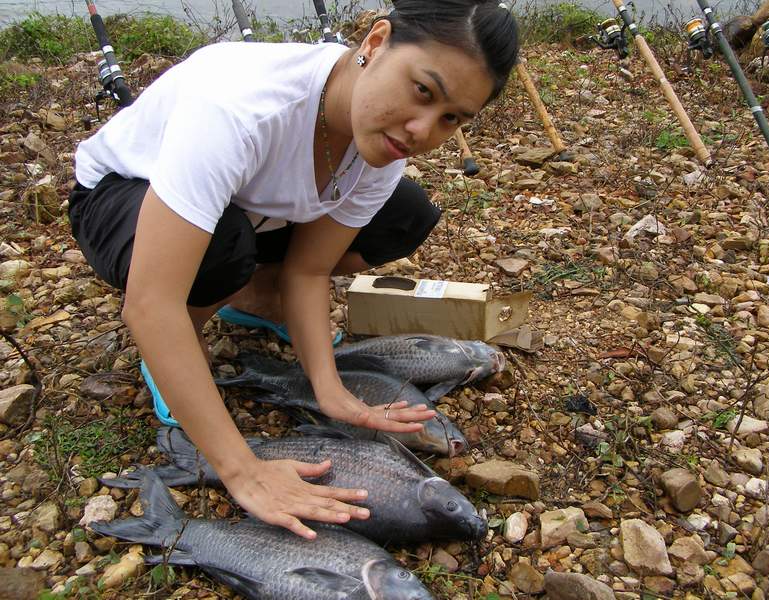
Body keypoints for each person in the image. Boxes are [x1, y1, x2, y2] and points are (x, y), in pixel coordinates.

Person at [67, 0, 519, 539]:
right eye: (422, 90)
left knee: (406, 212)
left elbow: (308, 271)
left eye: (452, 119)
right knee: (221, 248)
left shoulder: (384, 141)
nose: (422, 128)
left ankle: (251, 299)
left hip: (251, 211)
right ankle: (177, 344)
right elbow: (149, 302)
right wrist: (244, 471)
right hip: (120, 196)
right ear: (375, 43)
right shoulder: (239, 108)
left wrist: (327, 386)